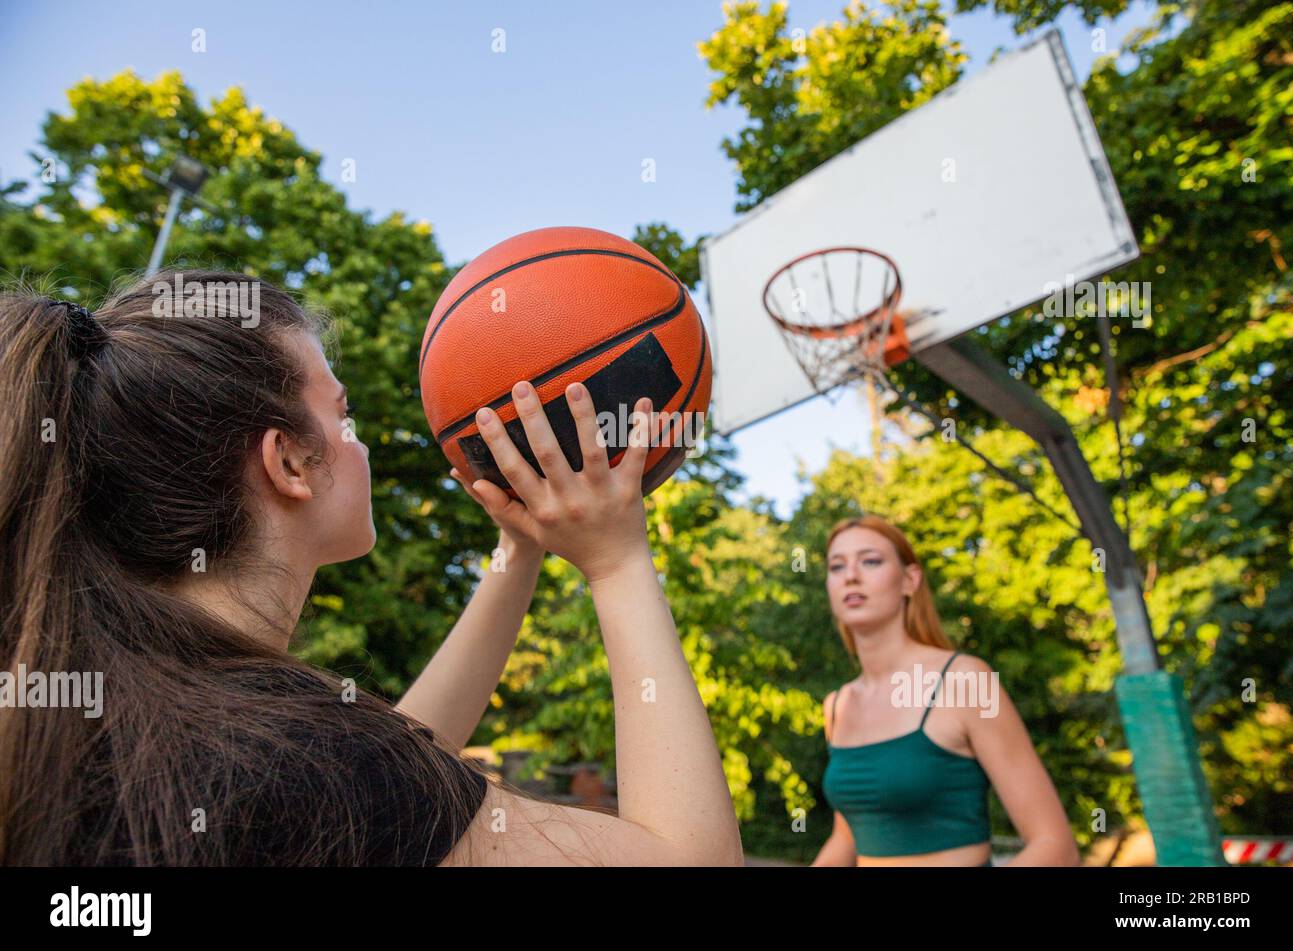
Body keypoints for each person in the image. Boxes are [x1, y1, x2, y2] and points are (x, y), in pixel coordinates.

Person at [0, 270, 742, 866]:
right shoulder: (295, 758)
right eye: (343, 415)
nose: (361, 445)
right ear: (289, 461)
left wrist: (517, 556)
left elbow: (398, 773)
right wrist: (617, 561)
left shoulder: (101, 713)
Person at [810, 516, 1078, 867]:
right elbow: (846, 839)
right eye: (836, 566)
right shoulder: (838, 706)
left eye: (870, 561)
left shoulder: (964, 681)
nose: (851, 576)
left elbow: (1055, 845)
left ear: (910, 580)